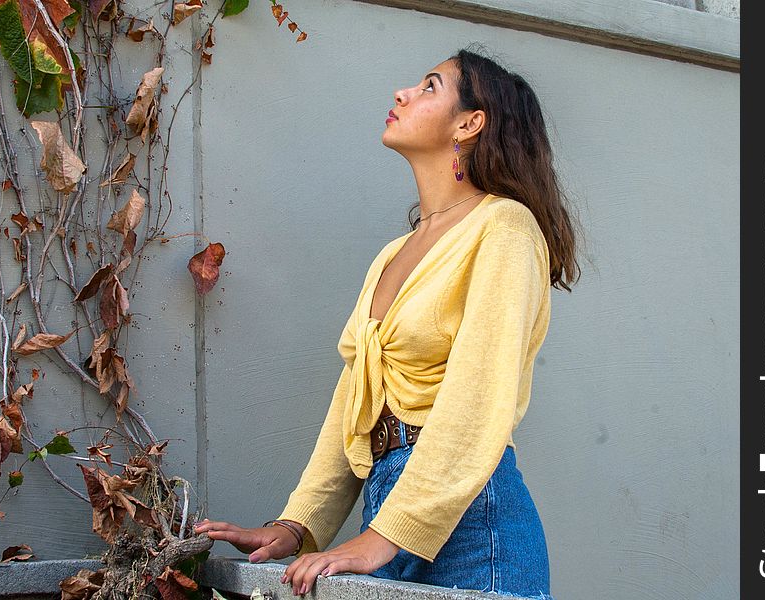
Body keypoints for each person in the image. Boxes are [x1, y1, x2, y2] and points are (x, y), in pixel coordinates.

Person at [194, 44, 581, 599]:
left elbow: (478, 399)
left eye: (429, 86)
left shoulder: (505, 227)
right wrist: (297, 525)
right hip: (387, 513)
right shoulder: (392, 254)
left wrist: (385, 537)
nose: (401, 93)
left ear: (470, 123)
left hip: (473, 528)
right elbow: (354, 404)